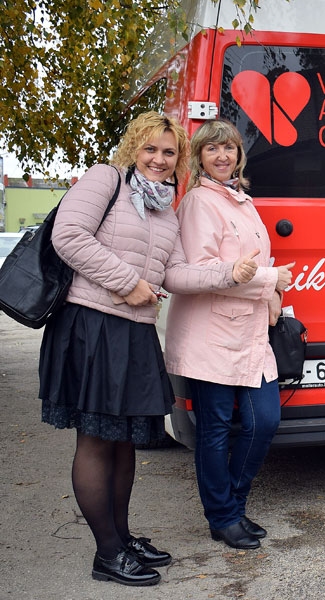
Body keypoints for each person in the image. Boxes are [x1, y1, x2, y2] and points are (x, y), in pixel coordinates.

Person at [39, 111, 259, 586]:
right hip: (92, 324)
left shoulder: (164, 205)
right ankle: (107, 554)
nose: (159, 160)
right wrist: (129, 283)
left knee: (125, 442)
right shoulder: (106, 179)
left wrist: (229, 274)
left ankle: (121, 537)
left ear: (179, 159)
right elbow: (67, 236)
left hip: (135, 331)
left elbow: (175, 273)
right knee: (97, 440)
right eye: (150, 149)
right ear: (133, 149)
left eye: (169, 152)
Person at [164, 119, 295, 550]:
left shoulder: (242, 200)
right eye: (212, 149)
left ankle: (233, 507)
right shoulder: (199, 201)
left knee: (265, 420)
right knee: (216, 428)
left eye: (230, 149)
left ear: (240, 155)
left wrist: (273, 293)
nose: (223, 156)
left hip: (251, 330)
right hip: (213, 333)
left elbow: (256, 262)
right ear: (198, 157)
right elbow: (196, 272)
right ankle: (223, 517)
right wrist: (269, 279)